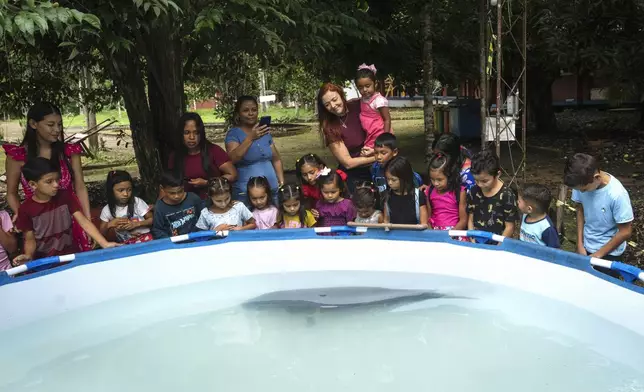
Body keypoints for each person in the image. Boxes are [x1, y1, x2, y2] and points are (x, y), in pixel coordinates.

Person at [3, 102, 92, 251]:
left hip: (72, 221)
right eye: (50, 125)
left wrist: (87, 219)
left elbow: (80, 187)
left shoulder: (69, 152)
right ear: (33, 124)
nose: (57, 130)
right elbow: (11, 193)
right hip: (39, 225)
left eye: (59, 124)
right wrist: (23, 216)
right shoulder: (17, 156)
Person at [13, 158, 118, 265]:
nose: (56, 184)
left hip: (70, 256)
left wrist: (104, 243)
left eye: (57, 179)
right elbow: (30, 239)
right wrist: (28, 255)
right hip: (44, 262)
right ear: (33, 184)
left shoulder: (65, 196)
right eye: (49, 181)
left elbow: (83, 222)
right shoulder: (25, 209)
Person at [564, 153, 633, 260]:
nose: (581, 192)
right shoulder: (580, 181)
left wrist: (597, 255)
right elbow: (580, 209)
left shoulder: (617, 194)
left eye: (584, 190)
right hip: (586, 246)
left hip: (610, 252)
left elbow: (625, 231)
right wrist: (579, 244)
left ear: (597, 177)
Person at [317, 82, 376, 193]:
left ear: (341, 95)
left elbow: (382, 123)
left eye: (334, 100)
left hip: (379, 165)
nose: (333, 106)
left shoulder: (359, 105)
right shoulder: (329, 126)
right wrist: (377, 157)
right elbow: (348, 163)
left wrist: (381, 152)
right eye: (327, 104)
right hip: (355, 173)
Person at [225, 96, 284, 205]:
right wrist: (250, 138)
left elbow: (276, 159)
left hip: (271, 192)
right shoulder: (233, 134)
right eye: (246, 110)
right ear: (238, 113)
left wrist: (281, 181)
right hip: (247, 196)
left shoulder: (264, 132)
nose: (251, 113)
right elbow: (232, 159)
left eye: (254, 110)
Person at [168, 112, 237, 200]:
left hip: (214, 202)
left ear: (201, 134)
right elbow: (168, 183)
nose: (192, 137)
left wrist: (208, 183)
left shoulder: (214, 151)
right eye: (187, 132)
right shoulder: (175, 156)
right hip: (184, 204)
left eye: (196, 132)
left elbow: (232, 175)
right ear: (180, 134)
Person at [467, 150, 518, 239]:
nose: (479, 184)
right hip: (477, 241)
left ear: (498, 174)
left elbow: (510, 227)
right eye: (476, 180)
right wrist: (472, 240)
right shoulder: (473, 191)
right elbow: (471, 218)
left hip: (499, 243)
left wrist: (498, 247)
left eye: (484, 181)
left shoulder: (507, 195)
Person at [99, 170, 154, 244]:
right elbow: (102, 233)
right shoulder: (107, 210)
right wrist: (110, 224)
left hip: (146, 240)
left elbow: (152, 220)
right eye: (121, 190)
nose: (125, 194)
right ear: (111, 191)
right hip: (124, 244)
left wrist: (136, 224)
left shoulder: (137, 202)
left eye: (129, 190)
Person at [152, 172, 203, 238]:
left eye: (180, 191)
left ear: (183, 186)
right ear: (162, 188)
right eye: (172, 193)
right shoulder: (159, 207)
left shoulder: (193, 198)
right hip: (175, 244)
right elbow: (158, 230)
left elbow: (203, 218)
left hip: (198, 239)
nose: (177, 196)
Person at [425, 153, 467, 231]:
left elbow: (463, 221)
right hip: (435, 233)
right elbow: (428, 218)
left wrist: (450, 235)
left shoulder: (459, 192)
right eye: (432, 179)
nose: (436, 183)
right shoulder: (429, 191)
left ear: (450, 176)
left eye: (439, 180)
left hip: (455, 232)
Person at [383, 156, 428, 225]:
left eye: (393, 180)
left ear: (404, 178)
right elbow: (386, 220)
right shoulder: (388, 196)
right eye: (388, 179)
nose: (390, 183)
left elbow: (424, 223)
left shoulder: (418, 196)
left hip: (414, 234)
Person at [355, 63, 391, 149]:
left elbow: (387, 119)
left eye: (367, 86)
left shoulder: (379, 101)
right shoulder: (362, 100)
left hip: (379, 136)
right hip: (369, 135)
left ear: (375, 84)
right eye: (360, 87)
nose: (364, 90)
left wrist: (384, 139)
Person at [517, 183, 560, 248]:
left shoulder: (547, 228)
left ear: (529, 209)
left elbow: (554, 250)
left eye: (519, 201)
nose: (517, 202)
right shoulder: (525, 215)